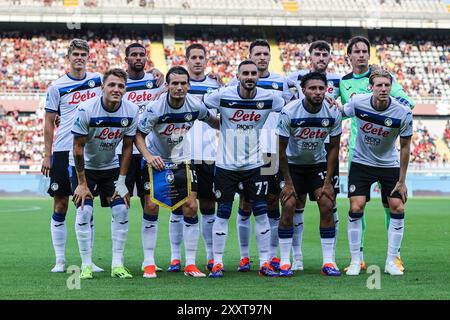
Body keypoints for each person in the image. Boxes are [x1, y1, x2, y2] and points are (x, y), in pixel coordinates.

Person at [135, 66, 219, 279]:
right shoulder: (155, 108)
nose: (179, 87)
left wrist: (235, 124)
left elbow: (214, 121)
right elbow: (138, 135)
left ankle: (190, 264)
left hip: (182, 159)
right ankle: (149, 263)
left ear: (189, 86)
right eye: (175, 83)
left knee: (191, 206)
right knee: (152, 206)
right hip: (157, 160)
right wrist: (148, 157)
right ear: (168, 86)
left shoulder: (195, 106)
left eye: (183, 83)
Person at [203, 60, 285, 278]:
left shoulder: (269, 98)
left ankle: (266, 262)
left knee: (261, 212)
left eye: (253, 73)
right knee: (223, 213)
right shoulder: (223, 95)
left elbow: (294, 103)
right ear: (237, 76)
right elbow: (202, 104)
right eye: (245, 73)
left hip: (255, 164)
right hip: (225, 165)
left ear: (258, 76)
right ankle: (218, 263)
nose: (250, 77)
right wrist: (215, 121)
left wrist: (325, 98)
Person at [339, 36, 414, 272]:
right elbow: (338, 114)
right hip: (359, 157)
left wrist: (402, 181)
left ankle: (393, 259)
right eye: (356, 51)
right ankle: (355, 260)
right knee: (356, 207)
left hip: (387, 161)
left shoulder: (399, 108)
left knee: (395, 207)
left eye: (386, 86)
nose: (383, 89)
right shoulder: (351, 92)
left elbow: (405, 144)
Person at [70, 68, 140, 280]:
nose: (116, 89)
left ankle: (117, 264)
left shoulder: (132, 110)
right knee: (84, 212)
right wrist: (82, 183)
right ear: (102, 88)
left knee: (122, 211)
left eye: (120, 86)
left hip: (110, 168)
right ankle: (86, 265)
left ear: (125, 89)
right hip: (86, 169)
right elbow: (77, 148)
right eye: (111, 85)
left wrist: (122, 181)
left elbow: (128, 147)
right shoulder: (86, 109)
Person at [41, 39, 103, 273]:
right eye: (75, 54)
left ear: (88, 57)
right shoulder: (57, 86)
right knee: (61, 204)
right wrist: (47, 155)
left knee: (86, 204)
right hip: (62, 149)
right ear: (68, 57)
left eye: (83, 54)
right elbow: (49, 122)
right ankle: (60, 260)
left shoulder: (98, 80)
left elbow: (122, 82)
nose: (79, 57)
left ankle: (88, 260)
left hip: (87, 151)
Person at [229, 39, 292, 272]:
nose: (263, 57)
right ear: (250, 56)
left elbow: (294, 103)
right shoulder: (236, 83)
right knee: (245, 202)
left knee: (272, 201)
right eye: (258, 54)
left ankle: (272, 256)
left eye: (266, 53)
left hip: (271, 149)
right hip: (244, 151)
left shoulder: (282, 82)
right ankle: (245, 257)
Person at [277, 72, 342, 277]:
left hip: (317, 164)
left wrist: (329, 181)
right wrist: (287, 182)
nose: (317, 92)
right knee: (288, 205)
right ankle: (286, 261)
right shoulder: (289, 111)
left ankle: (329, 262)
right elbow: (280, 149)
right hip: (292, 165)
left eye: (321, 88)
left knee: (327, 204)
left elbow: (334, 147)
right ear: (303, 90)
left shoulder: (332, 112)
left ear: (326, 90)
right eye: (312, 88)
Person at [166, 43, 222, 273]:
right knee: (178, 206)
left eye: (201, 57)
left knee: (208, 205)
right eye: (193, 57)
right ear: (187, 60)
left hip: (208, 154)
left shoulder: (216, 86)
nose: (197, 61)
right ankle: (175, 257)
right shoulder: (175, 84)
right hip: (180, 155)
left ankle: (210, 256)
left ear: (206, 60)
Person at [115, 43, 165, 210]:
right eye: (134, 54)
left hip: (149, 151)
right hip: (124, 151)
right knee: (120, 204)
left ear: (146, 58)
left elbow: (182, 84)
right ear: (126, 59)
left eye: (141, 55)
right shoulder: (118, 83)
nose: (138, 58)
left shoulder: (155, 80)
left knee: (151, 205)